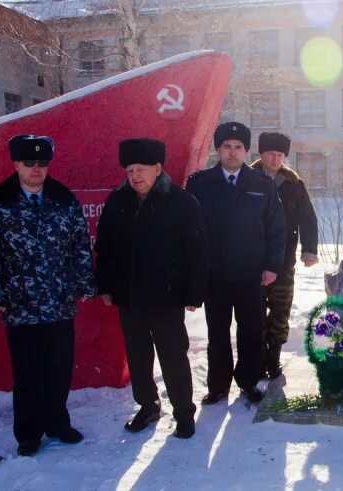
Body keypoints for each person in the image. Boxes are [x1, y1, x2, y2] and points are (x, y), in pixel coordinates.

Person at [0, 134, 95, 456]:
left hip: (58, 299)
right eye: (30, 163)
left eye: (43, 163)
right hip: (19, 301)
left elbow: (80, 245)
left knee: (59, 367)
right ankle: (28, 432)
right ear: (16, 164)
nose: (37, 169)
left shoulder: (64, 198)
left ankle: (57, 422)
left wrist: (82, 284)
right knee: (27, 371)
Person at [95, 138, 208, 439]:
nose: (134, 176)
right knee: (137, 356)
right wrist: (105, 285)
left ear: (158, 168)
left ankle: (184, 412)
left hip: (166, 295)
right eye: (130, 170)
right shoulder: (118, 201)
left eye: (141, 169)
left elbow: (196, 250)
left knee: (173, 355)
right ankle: (147, 405)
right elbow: (105, 247)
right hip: (128, 295)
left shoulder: (181, 202)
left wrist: (194, 292)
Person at [186, 122, 285, 404]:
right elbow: (190, 232)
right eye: (227, 146)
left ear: (246, 151)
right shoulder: (200, 184)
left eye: (238, 147)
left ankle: (249, 381)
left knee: (251, 332)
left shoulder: (262, 184)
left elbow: (277, 229)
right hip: (214, 275)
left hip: (250, 274)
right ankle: (218, 386)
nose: (232, 152)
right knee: (217, 333)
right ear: (218, 149)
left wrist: (271, 266)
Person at [250, 132, 319, 380]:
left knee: (280, 311)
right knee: (254, 313)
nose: (276, 158)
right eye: (271, 153)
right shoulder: (247, 179)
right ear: (261, 154)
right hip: (252, 261)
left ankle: (273, 358)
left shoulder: (293, 183)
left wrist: (309, 250)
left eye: (280, 155)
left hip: (284, 262)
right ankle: (256, 360)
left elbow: (308, 219)